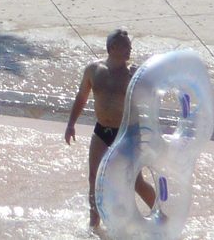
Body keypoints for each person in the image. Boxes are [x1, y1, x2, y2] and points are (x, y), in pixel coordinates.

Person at [66, 29, 155, 230]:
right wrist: (71, 124)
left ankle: (161, 217)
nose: (130, 50)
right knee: (93, 178)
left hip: (127, 133)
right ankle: (94, 226)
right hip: (101, 131)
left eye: (131, 47)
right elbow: (82, 97)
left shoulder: (133, 72)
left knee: (136, 182)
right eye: (126, 46)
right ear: (112, 47)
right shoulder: (93, 70)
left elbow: (151, 96)